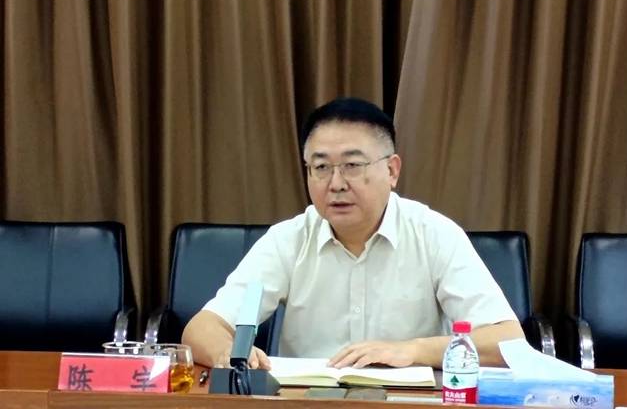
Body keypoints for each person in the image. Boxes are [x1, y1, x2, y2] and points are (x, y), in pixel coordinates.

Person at [182, 97, 524, 370]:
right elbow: (202, 329)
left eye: (352, 166)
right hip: (311, 401)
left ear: (391, 170)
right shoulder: (288, 240)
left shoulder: (434, 235)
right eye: (321, 167)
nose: (336, 184)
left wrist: (413, 350)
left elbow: (508, 342)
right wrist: (229, 352)